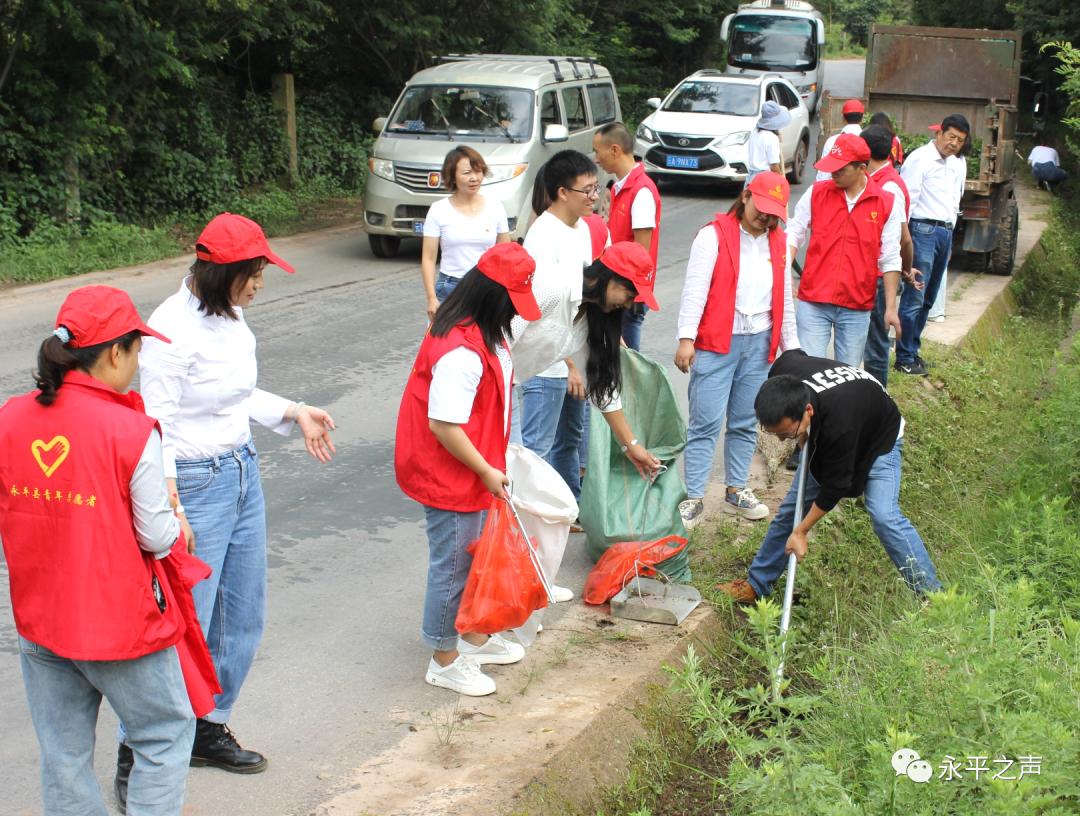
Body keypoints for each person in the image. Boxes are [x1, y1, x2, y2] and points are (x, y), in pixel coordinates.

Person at [135, 213, 337, 774]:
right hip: (195, 483)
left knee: (242, 613)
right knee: (186, 619)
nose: (260, 284)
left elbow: (233, 393)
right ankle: (146, 743)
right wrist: (171, 506)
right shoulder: (170, 330)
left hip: (241, 471)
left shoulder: (231, 311)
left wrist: (293, 410)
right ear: (223, 271)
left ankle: (205, 724)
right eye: (254, 273)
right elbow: (157, 428)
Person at [0, 286, 196, 816]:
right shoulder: (130, 430)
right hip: (120, 625)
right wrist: (180, 527)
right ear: (115, 352)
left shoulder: (10, 418)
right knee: (162, 734)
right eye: (136, 351)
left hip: (42, 619)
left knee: (63, 755)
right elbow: (156, 537)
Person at [395, 243, 542, 696]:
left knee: (475, 555)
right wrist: (484, 470)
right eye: (512, 303)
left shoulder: (485, 332)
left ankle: (472, 636)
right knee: (454, 563)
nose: (516, 314)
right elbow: (443, 423)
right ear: (492, 296)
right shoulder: (460, 347)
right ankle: (444, 657)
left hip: (475, 466)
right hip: (451, 472)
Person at [716, 350, 943, 604]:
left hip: (880, 435)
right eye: (775, 434)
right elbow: (793, 353)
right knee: (791, 510)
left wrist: (801, 532)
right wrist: (801, 435)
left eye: (788, 434)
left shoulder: (839, 427)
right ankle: (755, 586)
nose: (781, 440)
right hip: (844, 411)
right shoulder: (783, 376)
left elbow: (835, 485)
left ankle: (933, 596)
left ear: (808, 411)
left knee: (884, 514)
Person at [674, 172, 799, 529]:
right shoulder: (712, 236)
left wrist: (793, 348)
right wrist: (686, 338)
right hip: (717, 341)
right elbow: (695, 289)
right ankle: (694, 496)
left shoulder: (779, 242)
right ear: (745, 197)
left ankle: (736, 490)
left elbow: (784, 299)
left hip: (759, 342)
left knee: (746, 422)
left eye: (774, 213)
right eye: (762, 208)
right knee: (705, 422)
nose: (766, 217)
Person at [787, 133, 903, 366]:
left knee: (845, 375)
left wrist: (891, 308)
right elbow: (794, 232)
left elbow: (890, 259)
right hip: (814, 300)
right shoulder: (817, 193)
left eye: (840, 169)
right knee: (809, 371)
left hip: (856, 306)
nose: (833, 174)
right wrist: (785, 273)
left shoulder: (885, 203)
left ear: (861, 167)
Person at [895, 114, 969, 375]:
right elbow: (907, 203)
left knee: (929, 298)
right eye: (951, 137)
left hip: (944, 232)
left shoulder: (959, 164)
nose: (954, 143)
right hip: (922, 230)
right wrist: (904, 241)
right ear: (939, 133)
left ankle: (913, 350)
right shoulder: (920, 159)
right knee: (915, 296)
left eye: (959, 140)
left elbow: (955, 203)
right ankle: (903, 356)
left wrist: (950, 240)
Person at [592, 122, 662, 350]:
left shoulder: (641, 191)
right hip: (618, 288)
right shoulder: (619, 187)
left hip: (628, 293)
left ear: (614, 150)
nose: (596, 158)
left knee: (627, 361)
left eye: (597, 150)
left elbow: (640, 251)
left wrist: (621, 290)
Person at [421, 146, 511, 320]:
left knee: (485, 344)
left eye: (478, 172)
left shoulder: (496, 207)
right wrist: (432, 298)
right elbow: (428, 258)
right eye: (467, 173)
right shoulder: (438, 210)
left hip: (486, 286)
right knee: (446, 344)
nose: (474, 178)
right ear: (452, 176)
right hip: (450, 288)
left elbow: (505, 254)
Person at [860, 124, 918, 386]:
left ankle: (877, 399)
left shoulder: (888, 187)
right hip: (878, 273)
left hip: (882, 276)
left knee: (876, 345)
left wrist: (905, 271)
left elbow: (904, 239)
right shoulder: (882, 180)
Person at [815, 99, 865, 182]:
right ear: (862, 118)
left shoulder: (832, 141)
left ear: (843, 118)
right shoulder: (867, 140)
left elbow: (823, 176)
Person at [746, 100, 791, 185]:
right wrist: (781, 180)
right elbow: (774, 166)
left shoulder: (755, 132)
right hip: (764, 179)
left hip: (751, 178)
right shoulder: (771, 138)